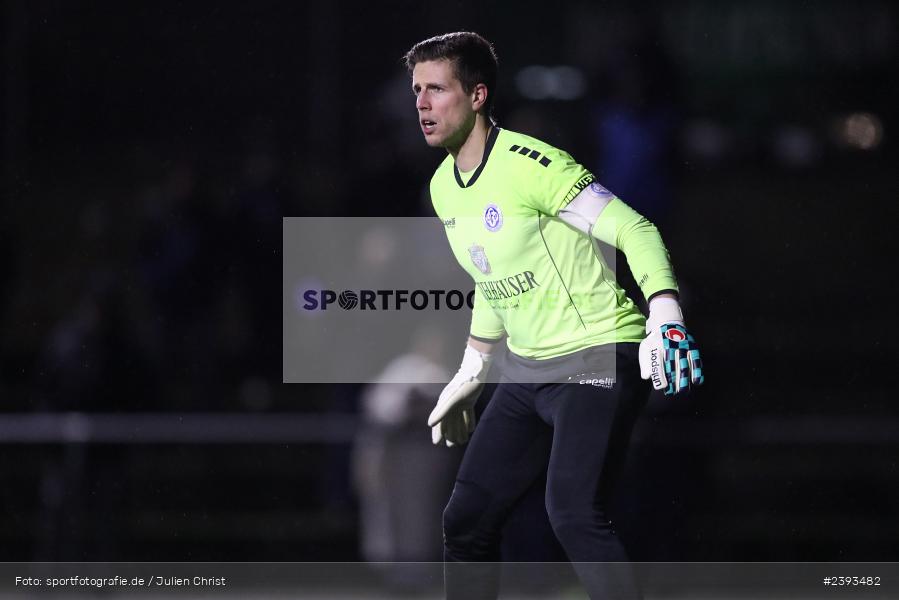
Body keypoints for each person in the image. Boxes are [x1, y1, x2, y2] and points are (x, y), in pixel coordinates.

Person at [404, 32, 704, 599]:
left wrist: (665, 313)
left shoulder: (534, 164)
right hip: (528, 368)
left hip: (598, 353)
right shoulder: (444, 187)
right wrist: (472, 369)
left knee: (572, 513)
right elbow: (493, 279)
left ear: (477, 96)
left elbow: (634, 229)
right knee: (466, 519)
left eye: (436, 89)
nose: (420, 102)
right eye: (417, 89)